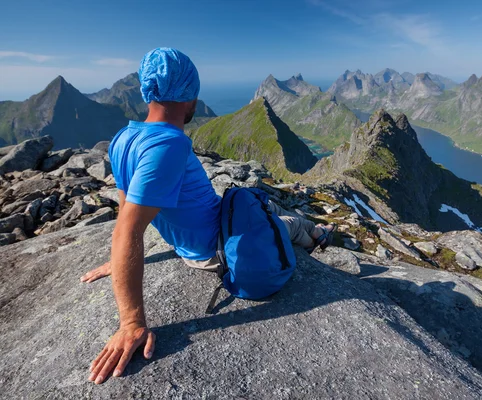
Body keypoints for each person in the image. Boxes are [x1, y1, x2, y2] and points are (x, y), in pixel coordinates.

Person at [83, 47, 335, 385]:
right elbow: (128, 231)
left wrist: (120, 260)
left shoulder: (123, 139)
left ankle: (297, 222)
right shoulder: (169, 145)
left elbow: (126, 207)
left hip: (219, 220)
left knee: (255, 201)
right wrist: (131, 323)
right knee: (283, 225)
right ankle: (314, 233)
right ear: (189, 97)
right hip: (218, 245)